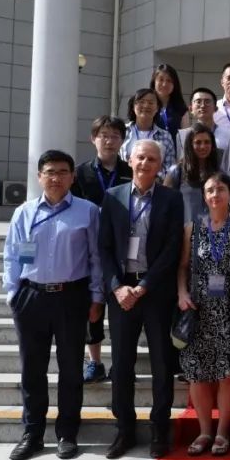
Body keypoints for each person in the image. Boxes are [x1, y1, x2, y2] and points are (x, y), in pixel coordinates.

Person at [3, 150, 103, 460]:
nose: (56, 178)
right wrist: (13, 294)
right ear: (39, 177)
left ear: (72, 177)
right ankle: (32, 433)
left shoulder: (87, 211)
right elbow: (12, 255)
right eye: (49, 172)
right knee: (32, 369)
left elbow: (96, 257)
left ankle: (67, 433)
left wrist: (97, 297)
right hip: (31, 297)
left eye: (62, 172)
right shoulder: (24, 212)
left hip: (71, 297)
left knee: (71, 369)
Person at [98, 140, 185, 459]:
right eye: (140, 158)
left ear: (160, 165)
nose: (145, 163)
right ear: (129, 160)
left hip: (156, 292)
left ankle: (160, 428)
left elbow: (173, 247)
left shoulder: (171, 199)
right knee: (122, 364)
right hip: (121, 293)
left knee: (162, 363)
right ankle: (125, 429)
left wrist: (145, 286)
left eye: (152, 159)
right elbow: (104, 247)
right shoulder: (113, 197)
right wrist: (117, 287)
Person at [176, 172, 230, 457]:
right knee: (197, 373)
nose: (215, 195)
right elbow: (182, 266)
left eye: (221, 189)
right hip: (197, 309)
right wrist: (182, 293)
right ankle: (204, 431)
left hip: (228, 309)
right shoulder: (193, 228)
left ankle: (223, 431)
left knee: (227, 374)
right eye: (210, 190)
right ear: (204, 196)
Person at [72, 116, 132, 385]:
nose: (109, 141)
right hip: (89, 247)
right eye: (104, 135)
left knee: (123, 310)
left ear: (122, 141)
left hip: (124, 248)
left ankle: (123, 364)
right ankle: (94, 362)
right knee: (91, 306)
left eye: (115, 136)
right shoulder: (80, 173)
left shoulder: (131, 170)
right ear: (93, 139)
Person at [177, 88, 230, 194]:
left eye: (207, 101)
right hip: (189, 195)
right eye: (198, 102)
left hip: (218, 194)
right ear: (191, 108)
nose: (203, 105)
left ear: (216, 108)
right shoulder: (181, 136)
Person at [164, 123, 220, 224]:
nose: (203, 146)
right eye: (198, 142)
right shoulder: (177, 171)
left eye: (207, 142)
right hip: (185, 230)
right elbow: (166, 206)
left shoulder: (218, 173)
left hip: (211, 230)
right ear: (190, 145)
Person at [121, 88, 176, 178]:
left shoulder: (165, 136)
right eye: (141, 102)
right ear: (133, 106)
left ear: (157, 108)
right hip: (124, 181)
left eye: (150, 103)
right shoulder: (122, 131)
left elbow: (169, 168)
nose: (146, 105)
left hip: (155, 183)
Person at [151, 63, 188, 137]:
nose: (164, 84)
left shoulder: (181, 108)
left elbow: (185, 136)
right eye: (161, 80)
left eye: (169, 80)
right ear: (154, 82)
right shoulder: (147, 105)